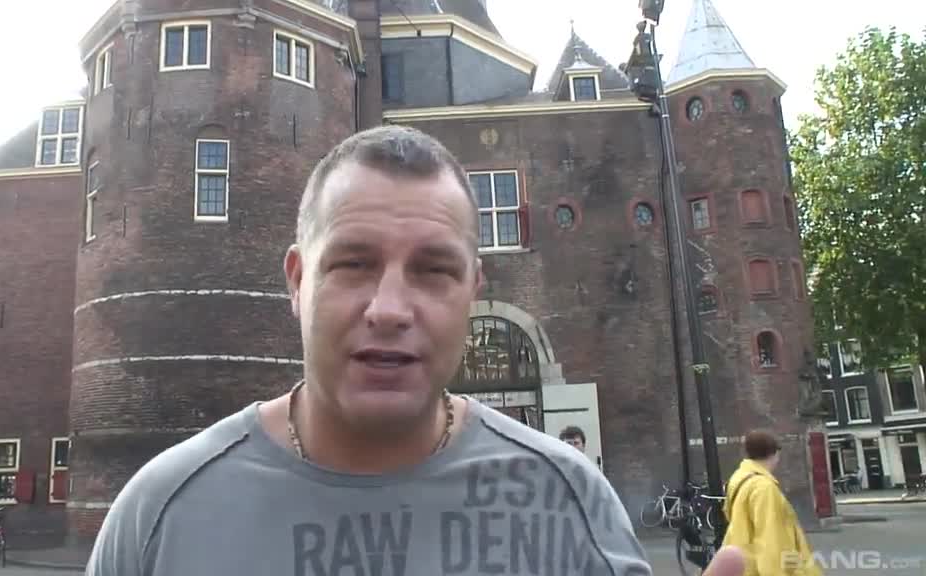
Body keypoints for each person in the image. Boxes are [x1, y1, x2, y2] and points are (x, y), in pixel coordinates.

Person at [85, 125, 746, 576]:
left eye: (433, 270)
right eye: (353, 264)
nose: (390, 308)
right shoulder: (161, 515)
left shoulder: (570, 503)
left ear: (473, 291)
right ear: (297, 281)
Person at [721, 429, 822, 575]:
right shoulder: (764, 488)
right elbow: (771, 542)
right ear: (774, 453)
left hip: (744, 565)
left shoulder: (740, 479)